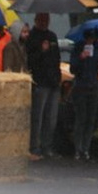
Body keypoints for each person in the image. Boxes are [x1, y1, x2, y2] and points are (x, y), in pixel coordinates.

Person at [26, 12, 62, 160]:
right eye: (41, 20)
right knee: (38, 117)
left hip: (53, 81)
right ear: (36, 20)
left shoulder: (52, 36)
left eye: (46, 20)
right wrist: (42, 51)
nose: (44, 22)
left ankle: (47, 146)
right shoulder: (32, 37)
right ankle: (35, 146)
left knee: (51, 118)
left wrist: (58, 76)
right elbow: (30, 60)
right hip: (40, 81)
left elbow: (57, 57)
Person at [69, 28, 98, 161]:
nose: (91, 41)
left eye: (93, 39)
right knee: (81, 118)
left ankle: (86, 148)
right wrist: (81, 57)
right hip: (80, 87)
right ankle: (77, 148)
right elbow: (72, 69)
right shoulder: (78, 48)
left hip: (93, 87)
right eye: (89, 39)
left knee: (90, 120)